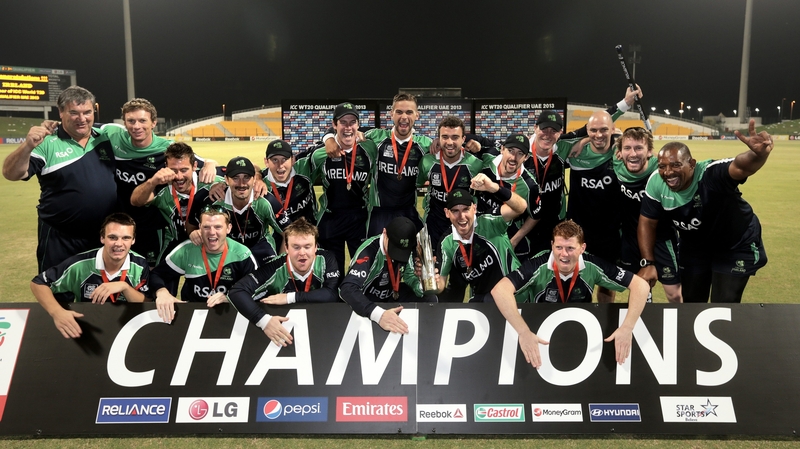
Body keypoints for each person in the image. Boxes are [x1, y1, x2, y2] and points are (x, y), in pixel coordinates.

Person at [638, 119, 771, 303]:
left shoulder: (711, 174)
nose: (668, 172)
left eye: (676, 165)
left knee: (723, 303)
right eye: (662, 166)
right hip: (695, 247)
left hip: (734, 244)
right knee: (692, 302)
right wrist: (649, 262)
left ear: (692, 164)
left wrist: (758, 156)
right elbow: (647, 222)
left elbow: (740, 166)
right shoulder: (656, 182)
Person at [490, 220, 649, 367]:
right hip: (539, 333)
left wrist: (627, 328)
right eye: (559, 247)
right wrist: (523, 332)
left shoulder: (593, 265)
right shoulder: (537, 265)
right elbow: (500, 290)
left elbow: (641, 286)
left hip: (578, 333)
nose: (564, 254)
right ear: (552, 245)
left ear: (582, 248)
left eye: (570, 248)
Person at [2, 86, 117, 271]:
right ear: (61, 112)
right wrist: (27, 146)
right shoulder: (46, 141)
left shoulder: (107, 136)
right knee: (57, 293)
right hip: (60, 239)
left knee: (99, 294)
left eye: (87, 112)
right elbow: (11, 173)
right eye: (74, 113)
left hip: (103, 237)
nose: (82, 119)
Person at [102, 98, 218, 266]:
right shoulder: (113, 135)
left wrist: (210, 163)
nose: (136, 126)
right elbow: (85, 124)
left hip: (152, 224)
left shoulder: (166, 149)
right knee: (116, 267)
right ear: (124, 122)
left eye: (142, 121)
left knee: (148, 271)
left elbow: (195, 162)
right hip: (118, 218)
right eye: (131, 121)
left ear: (153, 123)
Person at [325, 93, 432, 235]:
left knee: (417, 255)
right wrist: (328, 138)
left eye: (409, 112)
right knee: (376, 256)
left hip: (408, 211)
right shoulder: (375, 137)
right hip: (379, 213)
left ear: (417, 115)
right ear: (391, 114)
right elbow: (344, 131)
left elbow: (453, 145)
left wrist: (471, 143)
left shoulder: (425, 144)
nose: (404, 117)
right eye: (399, 112)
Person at [30, 213, 150, 339]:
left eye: (125, 238)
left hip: (126, 331)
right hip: (87, 332)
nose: (119, 244)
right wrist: (57, 312)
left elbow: (147, 303)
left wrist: (124, 287)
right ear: (102, 238)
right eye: (112, 237)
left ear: (133, 240)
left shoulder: (140, 264)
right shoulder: (80, 264)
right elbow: (38, 283)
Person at [227, 218, 340, 346]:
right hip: (284, 334)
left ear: (315, 247)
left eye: (307, 247)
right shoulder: (274, 267)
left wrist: (290, 297)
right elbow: (237, 291)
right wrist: (264, 321)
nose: (302, 253)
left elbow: (332, 294)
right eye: (296, 247)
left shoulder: (327, 259)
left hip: (321, 327)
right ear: (286, 248)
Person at [302, 102, 378, 270]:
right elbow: (296, 171)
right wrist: (259, 176)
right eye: (343, 122)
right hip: (330, 219)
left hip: (360, 220)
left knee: (362, 272)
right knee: (332, 275)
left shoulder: (370, 149)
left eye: (352, 122)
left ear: (358, 125)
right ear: (334, 125)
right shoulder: (320, 154)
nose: (348, 127)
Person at [151, 205, 258, 324]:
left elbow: (258, 290)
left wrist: (231, 298)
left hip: (230, 314)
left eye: (218, 227)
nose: (212, 232)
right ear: (200, 228)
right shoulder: (187, 250)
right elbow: (156, 274)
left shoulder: (242, 255)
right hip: (192, 315)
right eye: (206, 227)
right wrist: (162, 292)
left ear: (228, 228)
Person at [613, 127, 681, 303]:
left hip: (661, 238)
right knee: (638, 287)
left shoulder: (660, 171)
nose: (633, 153)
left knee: (673, 293)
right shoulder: (617, 163)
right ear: (619, 152)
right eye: (627, 148)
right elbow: (601, 137)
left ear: (650, 152)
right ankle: (639, 326)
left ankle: (681, 325)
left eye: (639, 148)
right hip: (630, 238)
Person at [130, 142, 222, 272]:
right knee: (157, 276)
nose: (179, 177)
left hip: (207, 240)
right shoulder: (160, 186)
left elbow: (246, 173)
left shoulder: (210, 180)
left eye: (184, 170)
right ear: (166, 167)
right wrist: (152, 181)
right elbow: (135, 201)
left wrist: (257, 180)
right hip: (174, 241)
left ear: (195, 166)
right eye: (173, 170)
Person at [436, 184, 526, 303]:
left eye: (466, 209)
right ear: (447, 213)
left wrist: (495, 188)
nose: (462, 216)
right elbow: (441, 283)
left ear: (474, 208)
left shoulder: (490, 222)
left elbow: (521, 207)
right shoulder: (446, 243)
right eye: (455, 211)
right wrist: (430, 282)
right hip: (485, 303)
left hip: (516, 295)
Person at [339, 216, 428, 334]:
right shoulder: (369, 251)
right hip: (368, 302)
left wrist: (422, 284)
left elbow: (409, 276)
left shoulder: (407, 248)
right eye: (394, 248)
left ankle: (424, 336)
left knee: (429, 298)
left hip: (390, 295)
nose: (398, 255)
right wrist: (378, 315)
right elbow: (346, 289)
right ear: (384, 233)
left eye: (402, 251)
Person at [188, 156, 281, 264]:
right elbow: (191, 225)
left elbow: (287, 232)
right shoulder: (211, 198)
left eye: (246, 177)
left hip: (260, 248)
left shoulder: (266, 200)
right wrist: (193, 233)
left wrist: (283, 264)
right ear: (226, 179)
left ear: (254, 179)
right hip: (225, 252)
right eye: (235, 178)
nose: (241, 184)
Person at [416, 116, 484, 248]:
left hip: (464, 225)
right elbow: (417, 184)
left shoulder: (475, 164)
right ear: (438, 138)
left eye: (455, 137)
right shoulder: (427, 161)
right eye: (445, 137)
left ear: (464, 139)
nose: (449, 142)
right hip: (434, 225)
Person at [475, 134, 542, 259]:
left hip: (508, 240)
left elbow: (535, 216)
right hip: (480, 235)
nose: (513, 158)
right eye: (510, 151)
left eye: (520, 153)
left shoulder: (529, 185)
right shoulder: (487, 158)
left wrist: (515, 240)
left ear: (526, 157)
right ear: (502, 149)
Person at [261, 140, 317, 251]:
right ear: (266, 162)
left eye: (284, 159)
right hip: (281, 236)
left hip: (312, 232)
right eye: (274, 160)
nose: (280, 165)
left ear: (292, 160)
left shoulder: (303, 168)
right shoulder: (262, 185)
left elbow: (323, 148)